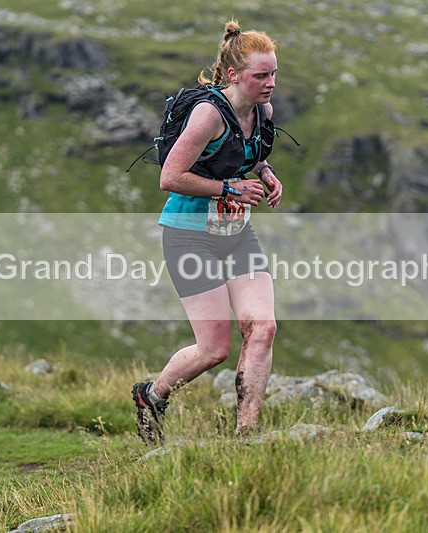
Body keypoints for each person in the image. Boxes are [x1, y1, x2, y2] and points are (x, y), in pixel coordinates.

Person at [132, 19, 282, 445]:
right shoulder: (206, 115)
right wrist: (229, 187)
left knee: (263, 328)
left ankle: (246, 435)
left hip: (236, 234)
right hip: (189, 235)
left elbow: (247, 154)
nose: (270, 83)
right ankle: (152, 396)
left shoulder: (262, 111)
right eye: (260, 75)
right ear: (234, 75)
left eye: (273, 73)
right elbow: (170, 176)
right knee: (214, 349)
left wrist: (266, 173)